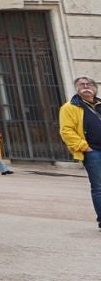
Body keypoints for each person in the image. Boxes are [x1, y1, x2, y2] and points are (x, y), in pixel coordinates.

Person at [60, 75, 101, 230]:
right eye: (81, 84)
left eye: (89, 83)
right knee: (98, 187)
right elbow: (66, 131)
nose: (86, 86)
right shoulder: (70, 107)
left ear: (95, 88)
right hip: (93, 152)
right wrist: (84, 147)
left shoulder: (99, 104)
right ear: (77, 89)